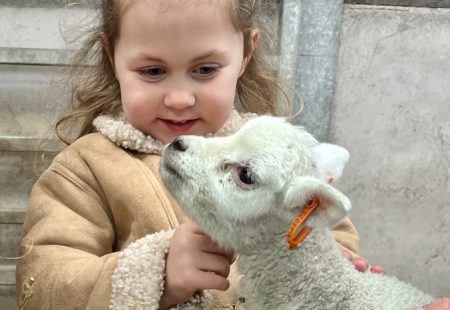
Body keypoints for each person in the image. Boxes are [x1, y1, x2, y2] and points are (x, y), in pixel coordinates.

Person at [15, 0, 380, 309]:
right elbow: (43, 282)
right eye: (153, 71)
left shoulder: (279, 158)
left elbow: (332, 233)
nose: (179, 98)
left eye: (205, 70)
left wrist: (334, 266)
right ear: (112, 57)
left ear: (245, 53)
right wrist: (156, 273)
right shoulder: (86, 170)